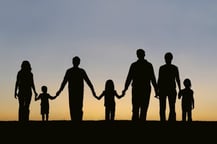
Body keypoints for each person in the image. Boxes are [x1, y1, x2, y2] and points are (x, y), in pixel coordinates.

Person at [56, 56, 97, 121]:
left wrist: (59, 91)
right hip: (75, 92)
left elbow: (88, 82)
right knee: (76, 107)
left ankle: (77, 121)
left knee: (76, 107)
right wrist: (59, 91)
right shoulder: (76, 71)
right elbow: (64, 82)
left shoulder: (73, 71)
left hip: (77, 92)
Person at [122, 49, 158, 121]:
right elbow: (153, 79)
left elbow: (129, 78)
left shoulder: (134, 65)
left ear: (137, 55)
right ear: (144, 55)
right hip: (144, 89)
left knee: (136, 108)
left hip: (137, 89)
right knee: (142, 109)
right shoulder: (148, 65)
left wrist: (125, 89)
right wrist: (156, 90)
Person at [156, 52, 181, 122]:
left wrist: (157, 90)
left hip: (165, 89)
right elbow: (178, 79)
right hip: (169, 89)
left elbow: (159, 79)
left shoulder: (162, 68)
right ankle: (170, 121)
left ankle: (164, 121)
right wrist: (179, 89)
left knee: (164, 107)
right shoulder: (174, 68)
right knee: (171, 107)